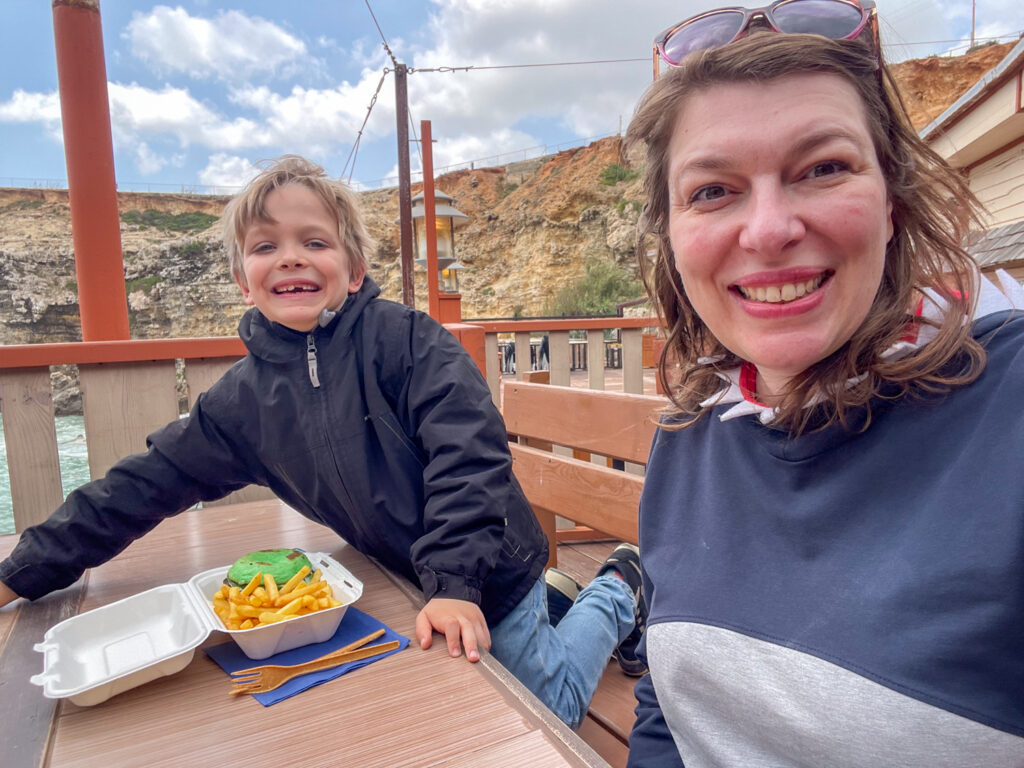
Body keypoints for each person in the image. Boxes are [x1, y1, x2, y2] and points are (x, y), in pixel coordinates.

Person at [0, 155, 645, 729]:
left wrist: (454, 582)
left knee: (548, 711)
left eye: (315, 241)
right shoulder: (242, 403)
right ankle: (561, 601)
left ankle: (617, 587)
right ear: (241, 279)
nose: (291, 256)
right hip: (399, 582)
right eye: (264, 246)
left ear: (355, 270)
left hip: (487, 571)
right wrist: (23, 570)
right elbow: (141, 485)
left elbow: (470, 453)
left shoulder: (408, 342)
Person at [624, 2, 1024, 765]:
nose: (769, 228)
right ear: (672, 236)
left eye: (823, 169)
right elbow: (668, 711)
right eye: (713, 190)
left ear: (893, 202)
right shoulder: (691, 438)